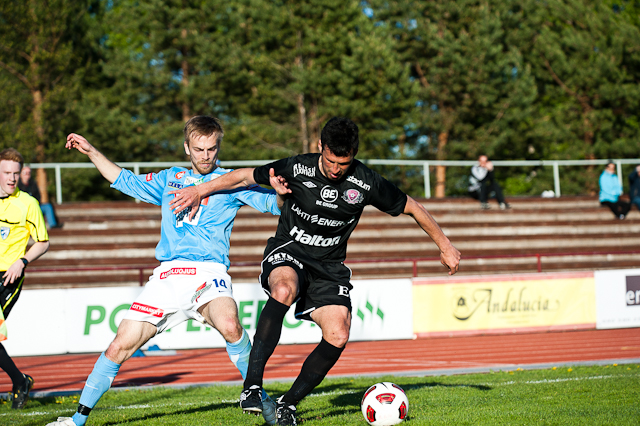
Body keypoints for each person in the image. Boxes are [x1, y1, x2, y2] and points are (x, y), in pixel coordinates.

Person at [169, 117, 461, 425]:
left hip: (329, 267)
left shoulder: (366, 181)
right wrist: (201, 190)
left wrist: (445, 246)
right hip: (289, 250)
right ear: (319, 147)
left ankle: (288, 404)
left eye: (343, 163)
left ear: (354, 154)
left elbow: (412, 206)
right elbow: (242, 177)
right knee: (283, 290)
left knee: (338, 332)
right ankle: (252, 387)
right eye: (330, 160)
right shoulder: (297, 168)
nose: (336, 169)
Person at [46, 116, 289, 426]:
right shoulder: (169, 178)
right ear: (187, 147)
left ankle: (259, 397)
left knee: (230, 325)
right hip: (168, 277)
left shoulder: (231, 182)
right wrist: (91, 150)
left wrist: (281, 193)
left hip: (208, 273)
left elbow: (276, 206)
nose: (205, 156)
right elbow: (124, 180)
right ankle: (76, 420)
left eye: (212, 149)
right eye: (199, 149)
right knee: (119, 345)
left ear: (218, 147)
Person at [0, 148, 50, 409]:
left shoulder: (27, 203)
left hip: (7, 278)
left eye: (16, 174)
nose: (12, 179)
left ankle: (20, 382)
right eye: (7, 173)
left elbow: (43, 243)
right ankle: (20, 381)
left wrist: (22, 261)